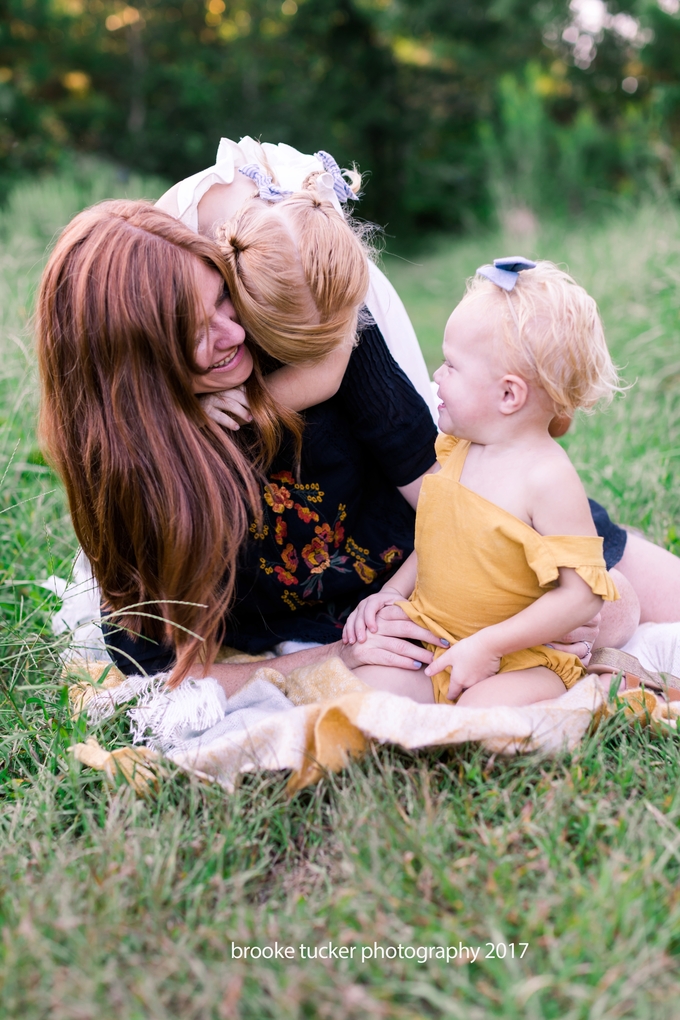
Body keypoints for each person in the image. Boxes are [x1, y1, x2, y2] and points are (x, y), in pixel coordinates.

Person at [38, 141, 678, 700]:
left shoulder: (298, 323)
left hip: (447, 540)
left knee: (632, 604)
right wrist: (335, 657)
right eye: (194, 331)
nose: (234, 332)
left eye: (223, 297)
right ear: (133, 366)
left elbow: (441, 488)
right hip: (343, 618)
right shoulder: (129, 476)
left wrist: (526, 592)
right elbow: (162, 673)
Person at [343, 258, 626, 706]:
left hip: (520, 656)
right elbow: (440, 538)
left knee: (481, 715)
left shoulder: (547, 478)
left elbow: (583, 596)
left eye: (451, 366)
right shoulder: (459, 449)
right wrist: (391, 593)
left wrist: (490, 646)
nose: (436, 376)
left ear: (508, 395)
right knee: (366, 692)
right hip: (438, 644)